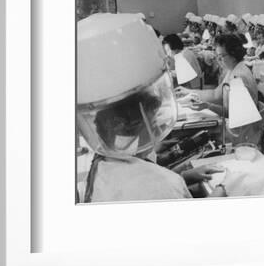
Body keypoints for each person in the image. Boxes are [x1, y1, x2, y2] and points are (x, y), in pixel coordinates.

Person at [77, 13, 223, 203]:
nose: (156, 124)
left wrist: (185, 176)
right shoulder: (160, 186)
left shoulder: (102, 163)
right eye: (154, 117)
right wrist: (221, 192)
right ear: (143, 122)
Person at [175, 33, 261, 145]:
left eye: (221, 56)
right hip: (236, 125)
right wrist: (189, 92)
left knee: (190, 137)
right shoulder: (233, 69)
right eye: (217, 56)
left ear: (233, 54)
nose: (218, 60)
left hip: (239, 134)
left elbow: (230, 113)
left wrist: (208, 106)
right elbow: (216, 94)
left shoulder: (239, 77)